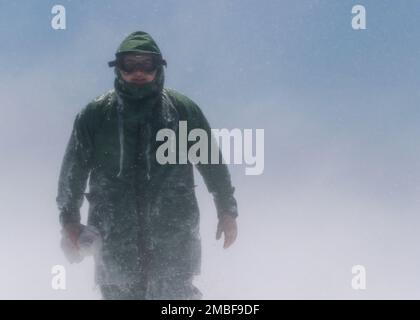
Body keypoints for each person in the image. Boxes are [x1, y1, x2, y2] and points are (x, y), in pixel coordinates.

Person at [56, 31, 238, 300]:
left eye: (147, 64)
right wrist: (69, 220)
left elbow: (212, 163)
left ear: (159, 67)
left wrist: (227, 209)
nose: (138, 72)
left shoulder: (182, 111)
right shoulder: (96, 115)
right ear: (118, 68)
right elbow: (73, 171)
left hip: (173, 235)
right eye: (130, 65)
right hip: (115, 237)